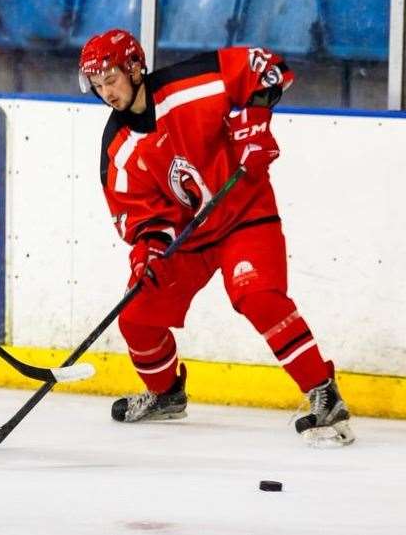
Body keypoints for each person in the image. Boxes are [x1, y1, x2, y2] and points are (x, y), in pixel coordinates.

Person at [78, 29, 354, 447]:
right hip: (190, 236)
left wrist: (256, 124)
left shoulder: (190, 86)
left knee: (256, 294)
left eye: (111, 79)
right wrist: (148, 254)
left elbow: (266, 66)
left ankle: (323, 392)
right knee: (136, 315)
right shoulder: (117, 149)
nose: (106, 93)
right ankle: (166, 394)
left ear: (135, 67)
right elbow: (142, 217)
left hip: (243, 211)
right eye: (97, 86)